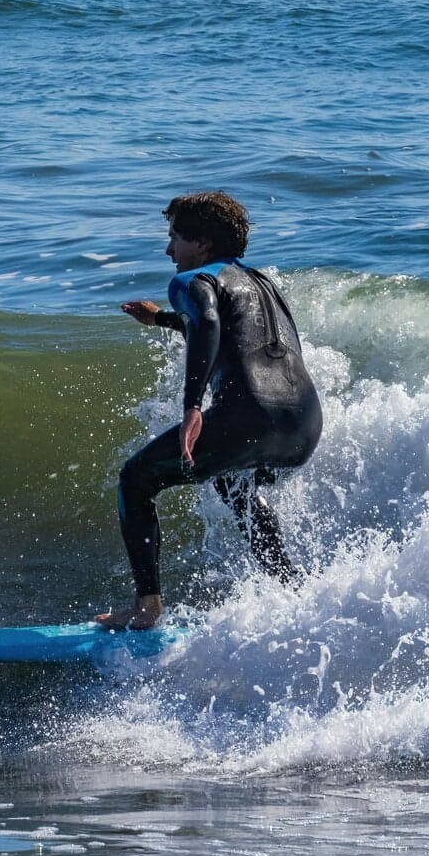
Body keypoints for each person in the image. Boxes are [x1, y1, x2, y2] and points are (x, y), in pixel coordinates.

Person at [96, 191, 322, 630]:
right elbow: (223, 327)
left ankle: (146, 607)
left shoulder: (191, 279)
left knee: (136, 479)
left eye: (175, 238)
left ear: (201, 244)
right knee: (233, 483)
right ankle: (293, 591)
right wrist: (161, 319)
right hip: (304, 424)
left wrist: (193, 406)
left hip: (249, 413)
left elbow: (209, 323)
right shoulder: (262, 283)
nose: (169, 250)